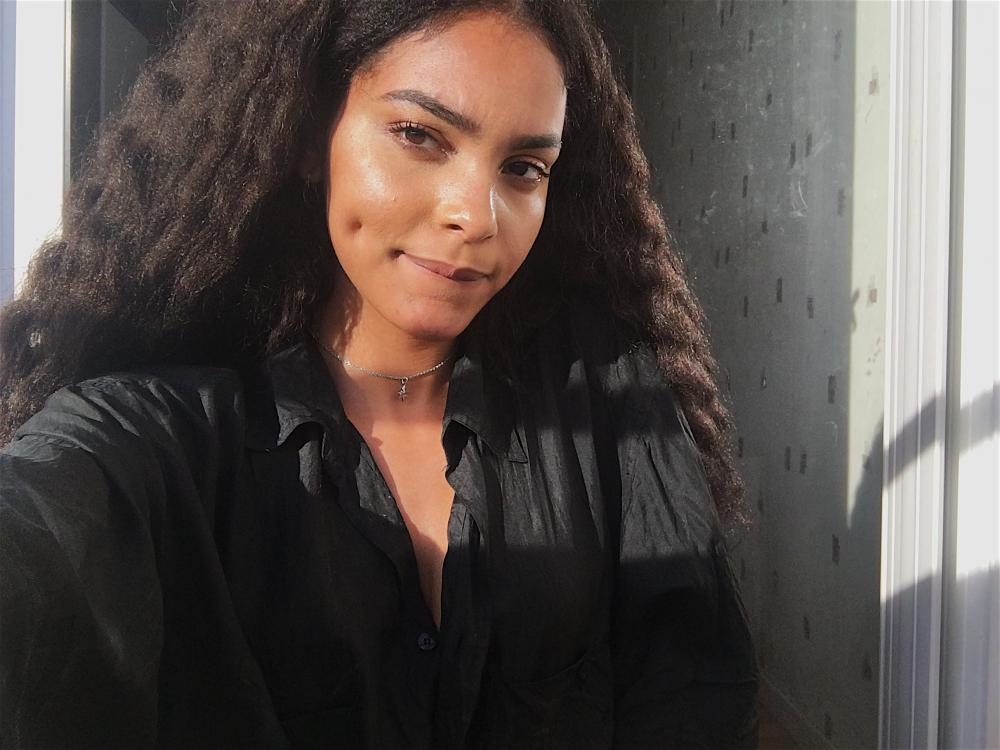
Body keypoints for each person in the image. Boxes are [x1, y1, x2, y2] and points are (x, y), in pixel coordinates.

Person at [0, 1, 757, 747]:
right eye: (419, 135)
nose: (478, 216)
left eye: (524, 168)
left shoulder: (605, 394)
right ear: (309, 135)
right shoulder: (165, 429)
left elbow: (693, 694)